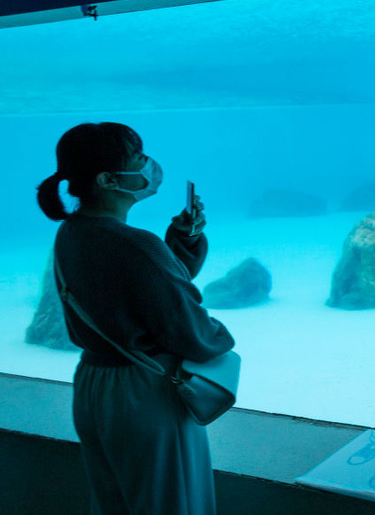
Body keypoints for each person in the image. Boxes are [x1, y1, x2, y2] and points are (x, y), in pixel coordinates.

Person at [36, 122, 234, 515]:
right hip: (143, 395)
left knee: (114, 505)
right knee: (173, 505)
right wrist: (223, 338)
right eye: (138, 157)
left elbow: (137, 291)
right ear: (109, 179)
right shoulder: (136, 245)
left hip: (94, 386)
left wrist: (181, 241)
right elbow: (191, 333)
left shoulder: (72, 233)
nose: (148, 164)